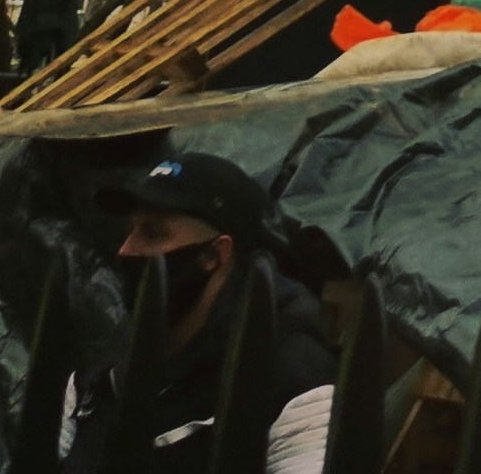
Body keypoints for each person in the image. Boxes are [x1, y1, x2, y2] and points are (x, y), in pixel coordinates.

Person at [63, 153, 338, 473]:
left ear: (215, 254)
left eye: (152, 233)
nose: (126, 250)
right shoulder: (105, 362)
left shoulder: (291, 374)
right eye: (130, 230)